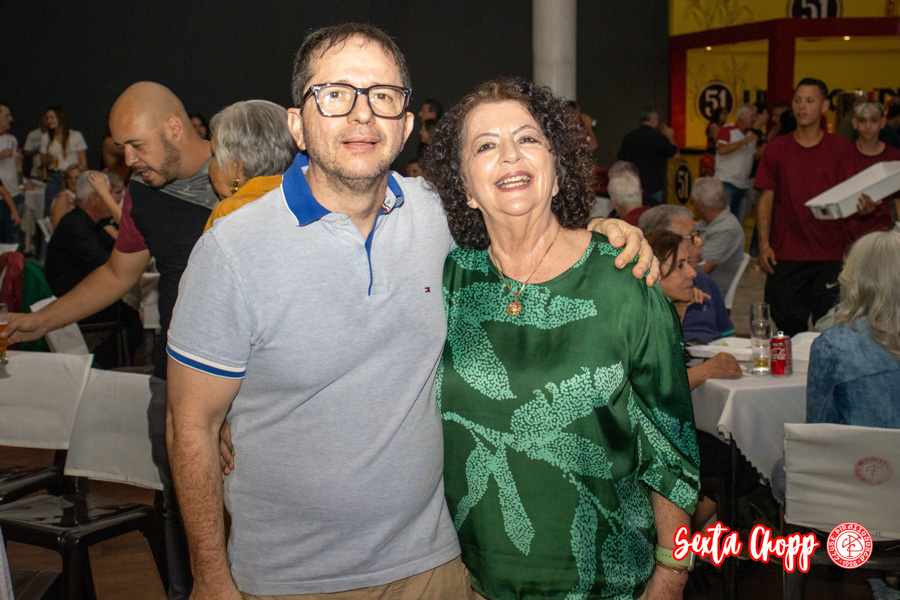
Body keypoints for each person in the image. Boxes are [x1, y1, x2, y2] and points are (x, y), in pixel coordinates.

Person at [168, 23, 656, 600]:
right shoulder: (232, 250)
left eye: (382, 96)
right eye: (335, 94)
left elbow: (523, 220)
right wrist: (211, 578)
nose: (361, 114)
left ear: (404, 126)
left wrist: (602, 231)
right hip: (288, 578)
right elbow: (190, 426)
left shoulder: (438, 215)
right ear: (297, 123)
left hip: (436, 568)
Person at [424, 77, 698, 600]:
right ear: (465, 188)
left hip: (608, 580)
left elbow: (672, 446)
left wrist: (671, 574)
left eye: (527, 138)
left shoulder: (624, 280)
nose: (509, 155)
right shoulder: (447, 281)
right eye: (486, 146)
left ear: (556, 172)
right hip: (472, 579)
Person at [2, 81, 217, 600]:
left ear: (175, 128)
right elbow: (119, 274)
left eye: (135, 146)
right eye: (121, 148)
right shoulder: (143, 192)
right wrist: (39, 322)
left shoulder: (247, 173)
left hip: (251, 383)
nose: (127, 162)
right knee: (180, 508)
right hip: (175, 377)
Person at [755, 78, 857, 337]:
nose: (802, 106)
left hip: (830, 254)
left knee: (831, 331)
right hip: (786, 254)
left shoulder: (842, 149)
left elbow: (852, 198)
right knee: (787, 330)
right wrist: (764, 245)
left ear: (824, 106)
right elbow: (766, 198)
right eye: (798, 100)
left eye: (810, 101)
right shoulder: (776, 148)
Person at [44, 171, 141, 368]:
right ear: (95, 198)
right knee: (132, 320)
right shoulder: (75, 225)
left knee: (133, 316)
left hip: (83, 294)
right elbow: (109, 263)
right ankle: (99, 366)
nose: (114, 200)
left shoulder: (91, 223)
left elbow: (121, 251)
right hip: (69, 300)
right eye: (108, 194)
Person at [640, 205, 734, 344]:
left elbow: (728, 337)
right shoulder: (637, 312)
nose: (700, 242)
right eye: (692, 236)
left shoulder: (704, 283)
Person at [203, 100, 297, 231]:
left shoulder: (230, 212)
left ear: (237, 165)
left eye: (214, 154)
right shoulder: (310, 200)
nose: (210, 164)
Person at [847, 100, 900, 243]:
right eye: (863, 120)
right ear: (855, 123)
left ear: (882, 122)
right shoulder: (844, 154)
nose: (868, 126)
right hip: (850, 234)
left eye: (874, 120)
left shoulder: (895, 157)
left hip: (886, 235)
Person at [692, 176, 745, 296]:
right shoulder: (707, 221)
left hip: (707, 294)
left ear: (701, 205)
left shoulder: (727, 229)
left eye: (693, 202)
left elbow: (702, 270)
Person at [618, 109, 679, 206]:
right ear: (653, 120)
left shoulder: (629, 136)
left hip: (633, 185)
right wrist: (671, 137)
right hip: (653, 187)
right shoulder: (659, 138)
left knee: (633, 212)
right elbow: (675, 155)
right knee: (653, 213)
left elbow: (621, 161)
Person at [39, 106, 87, 217]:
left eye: (52, 117)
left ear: (60, 118)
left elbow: (83, 161)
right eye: (47, 118)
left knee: (74, 208)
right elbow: (42, 161)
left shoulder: (75, 136)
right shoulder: (46, 137)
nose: (49, 121)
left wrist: (82, 178)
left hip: (72, 178)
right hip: (55, 176)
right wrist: (49, 159)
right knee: (50, 210)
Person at [714, 103, 758, 223]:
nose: (755, 119)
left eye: (756, 116)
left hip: (744, 184)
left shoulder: (751, 135)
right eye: (752, 116)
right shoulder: (727, 130)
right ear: (742, 116)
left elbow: (753, 156)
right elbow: (722, 150)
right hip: (726, 182)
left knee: (738, 223)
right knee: (723, 221)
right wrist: (744, 142)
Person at [0, 103, 23, 244]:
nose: (10, 119)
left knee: (12, 240)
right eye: (7, 115)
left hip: (14, 195)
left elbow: (18, 165)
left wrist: (21, 186)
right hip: (1, 195)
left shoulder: (11, 139)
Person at [49, 164, 81, 229]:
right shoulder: (63, 197)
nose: (73, 181)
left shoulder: (83, 198)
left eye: (76, 178)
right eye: (70, 178)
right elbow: (57, 226)